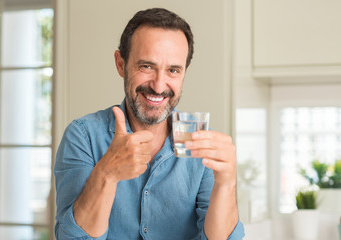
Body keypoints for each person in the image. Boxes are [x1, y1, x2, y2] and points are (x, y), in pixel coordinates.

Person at [54, 7, 245, 240]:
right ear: (121, 64)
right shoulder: (83, 135)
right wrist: (107, 173)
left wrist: (226, 182)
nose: (158, 85)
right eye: (146, 66)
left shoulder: (201, 145)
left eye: (173, 70)